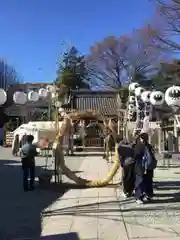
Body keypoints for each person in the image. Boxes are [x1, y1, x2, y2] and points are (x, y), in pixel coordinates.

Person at [134, 132, 157, 204]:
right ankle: (148, 194)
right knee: (148, 181)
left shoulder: (138, 146)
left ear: (140, 138)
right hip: (149, 167)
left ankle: (139, 197)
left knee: (139, 182)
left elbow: (135, 156)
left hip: (140, 167)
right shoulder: (149, 146)